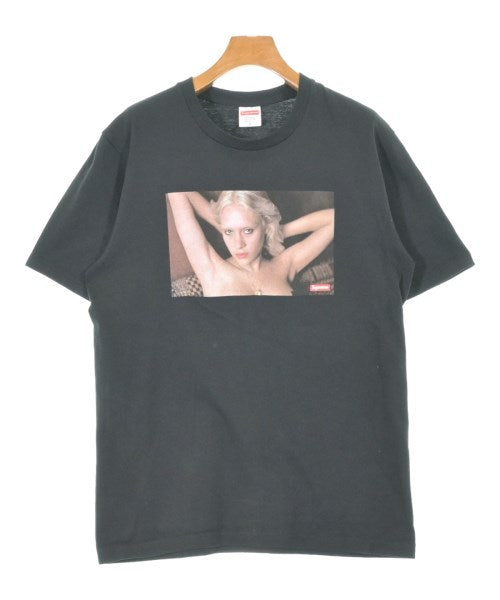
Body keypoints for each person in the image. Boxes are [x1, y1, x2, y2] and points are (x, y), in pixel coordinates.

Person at [166, 190, 335, 296]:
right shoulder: (210, 268)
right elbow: (178, 192)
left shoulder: (282, 266)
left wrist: (276, 231)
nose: (238, 244)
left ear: (264, 226)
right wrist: (222, 223)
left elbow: (333, 219)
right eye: (229, 232)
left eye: (248, 231)